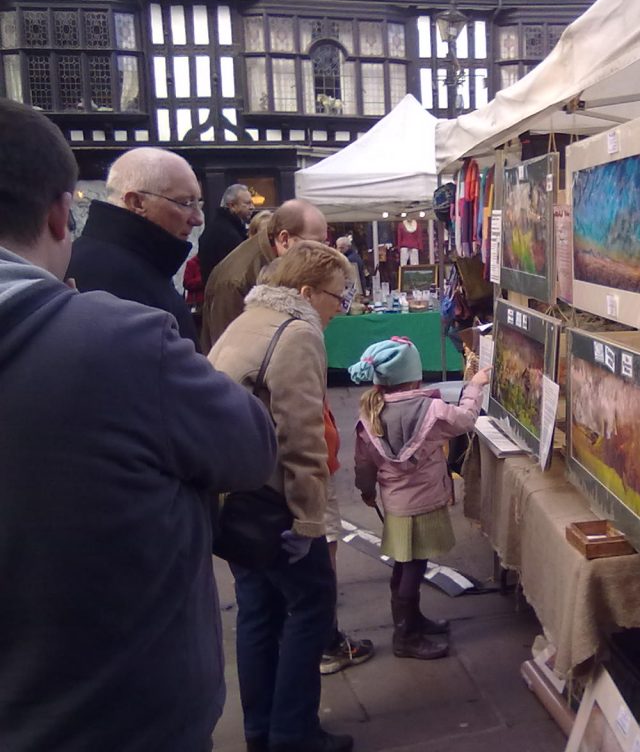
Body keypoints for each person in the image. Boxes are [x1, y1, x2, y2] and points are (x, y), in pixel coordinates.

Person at [0, 99, 278, 751]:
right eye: (183, 205)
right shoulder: (112, 336)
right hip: (121, 708)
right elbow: (250, 444)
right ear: (59, 213)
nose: (194, 221)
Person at [209, 241, 358, 752]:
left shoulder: (249, 320)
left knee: (258, 610)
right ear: (306, 291)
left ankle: (261, 731)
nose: (342, 308)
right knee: (311, 605)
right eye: (338, 297)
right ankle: (294, 734)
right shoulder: (296, 332)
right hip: (273, 503)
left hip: (237, 498)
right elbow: (301, 436)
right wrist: (308, 520)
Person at [350, 338, 491, 660]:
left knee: (406, 565)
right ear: (414, 377)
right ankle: (406, 637)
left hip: (396, 504)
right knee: (414, 568)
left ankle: (412, 621)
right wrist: (474, 386)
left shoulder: (370, 413)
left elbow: (363, 462)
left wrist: (367, 491)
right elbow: (466, 419)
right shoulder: (433, 409)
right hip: (425, 500)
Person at [67, 146, 205, 347]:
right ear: (137, 202)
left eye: (198, 204)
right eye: (185, 203)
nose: (198, 219)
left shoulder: (135, 263)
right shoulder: (120, 281)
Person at [201, 199, 327, 352]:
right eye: (315, 244)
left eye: (324, 244)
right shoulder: (236, 278)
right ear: (284, 238)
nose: (321, 252)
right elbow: (227, 351)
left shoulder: (284, 262)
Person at [198, 183, 254, 285]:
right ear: (232, 206)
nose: (252, 207)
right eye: (247, 203)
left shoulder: (218, 227)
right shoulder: (227, 234)